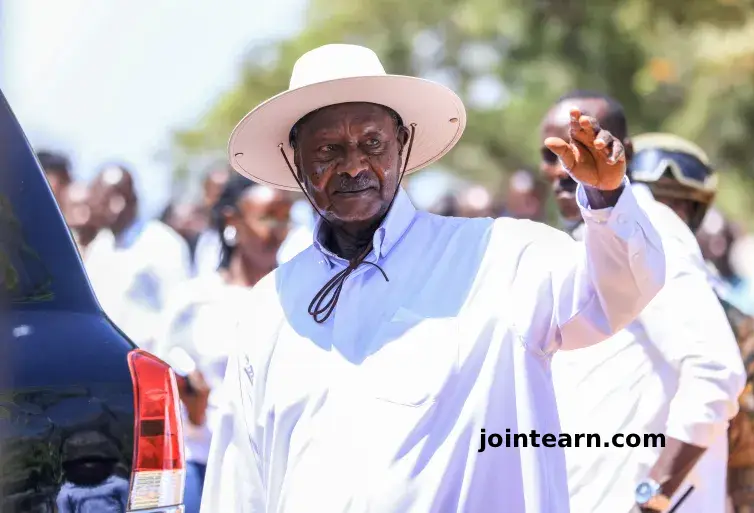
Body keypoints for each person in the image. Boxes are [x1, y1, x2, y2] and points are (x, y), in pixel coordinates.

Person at [201, 44, 667, 513]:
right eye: (328, 150)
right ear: (295, 160)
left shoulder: (501, 255)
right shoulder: (271, 307)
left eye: (372, 143)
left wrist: (607, 200)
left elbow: (619, 290)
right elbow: (241, 483)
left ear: (402, 143)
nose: (354, 165)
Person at [540, 92, 745, 513]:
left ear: (623, 152)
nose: (562, 167)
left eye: (579, 145)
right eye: (551, 154)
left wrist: (652, 497)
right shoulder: (585, 240)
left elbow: (715, 371)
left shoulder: (651, 230)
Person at [629, 132, 754, 513]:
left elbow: (752, 458)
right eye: (651, 201)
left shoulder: (730, 321)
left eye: (677, 205)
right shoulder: (583, 289)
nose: (663, 214)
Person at [156, 174, 292, 513]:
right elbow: (161, 377)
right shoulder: (194, 300)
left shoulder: (300, 299)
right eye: (266, 217)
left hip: (277, 474)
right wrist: (192, 406)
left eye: (284, 218)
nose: (277, 230)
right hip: (203, 465)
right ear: (233, 221)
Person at [83, 164, 190, 353]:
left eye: (98, 201)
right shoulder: (101, 243)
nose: (91, 209)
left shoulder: (161, 242)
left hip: (146, 361)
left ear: (117, 203)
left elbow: (179, 311)